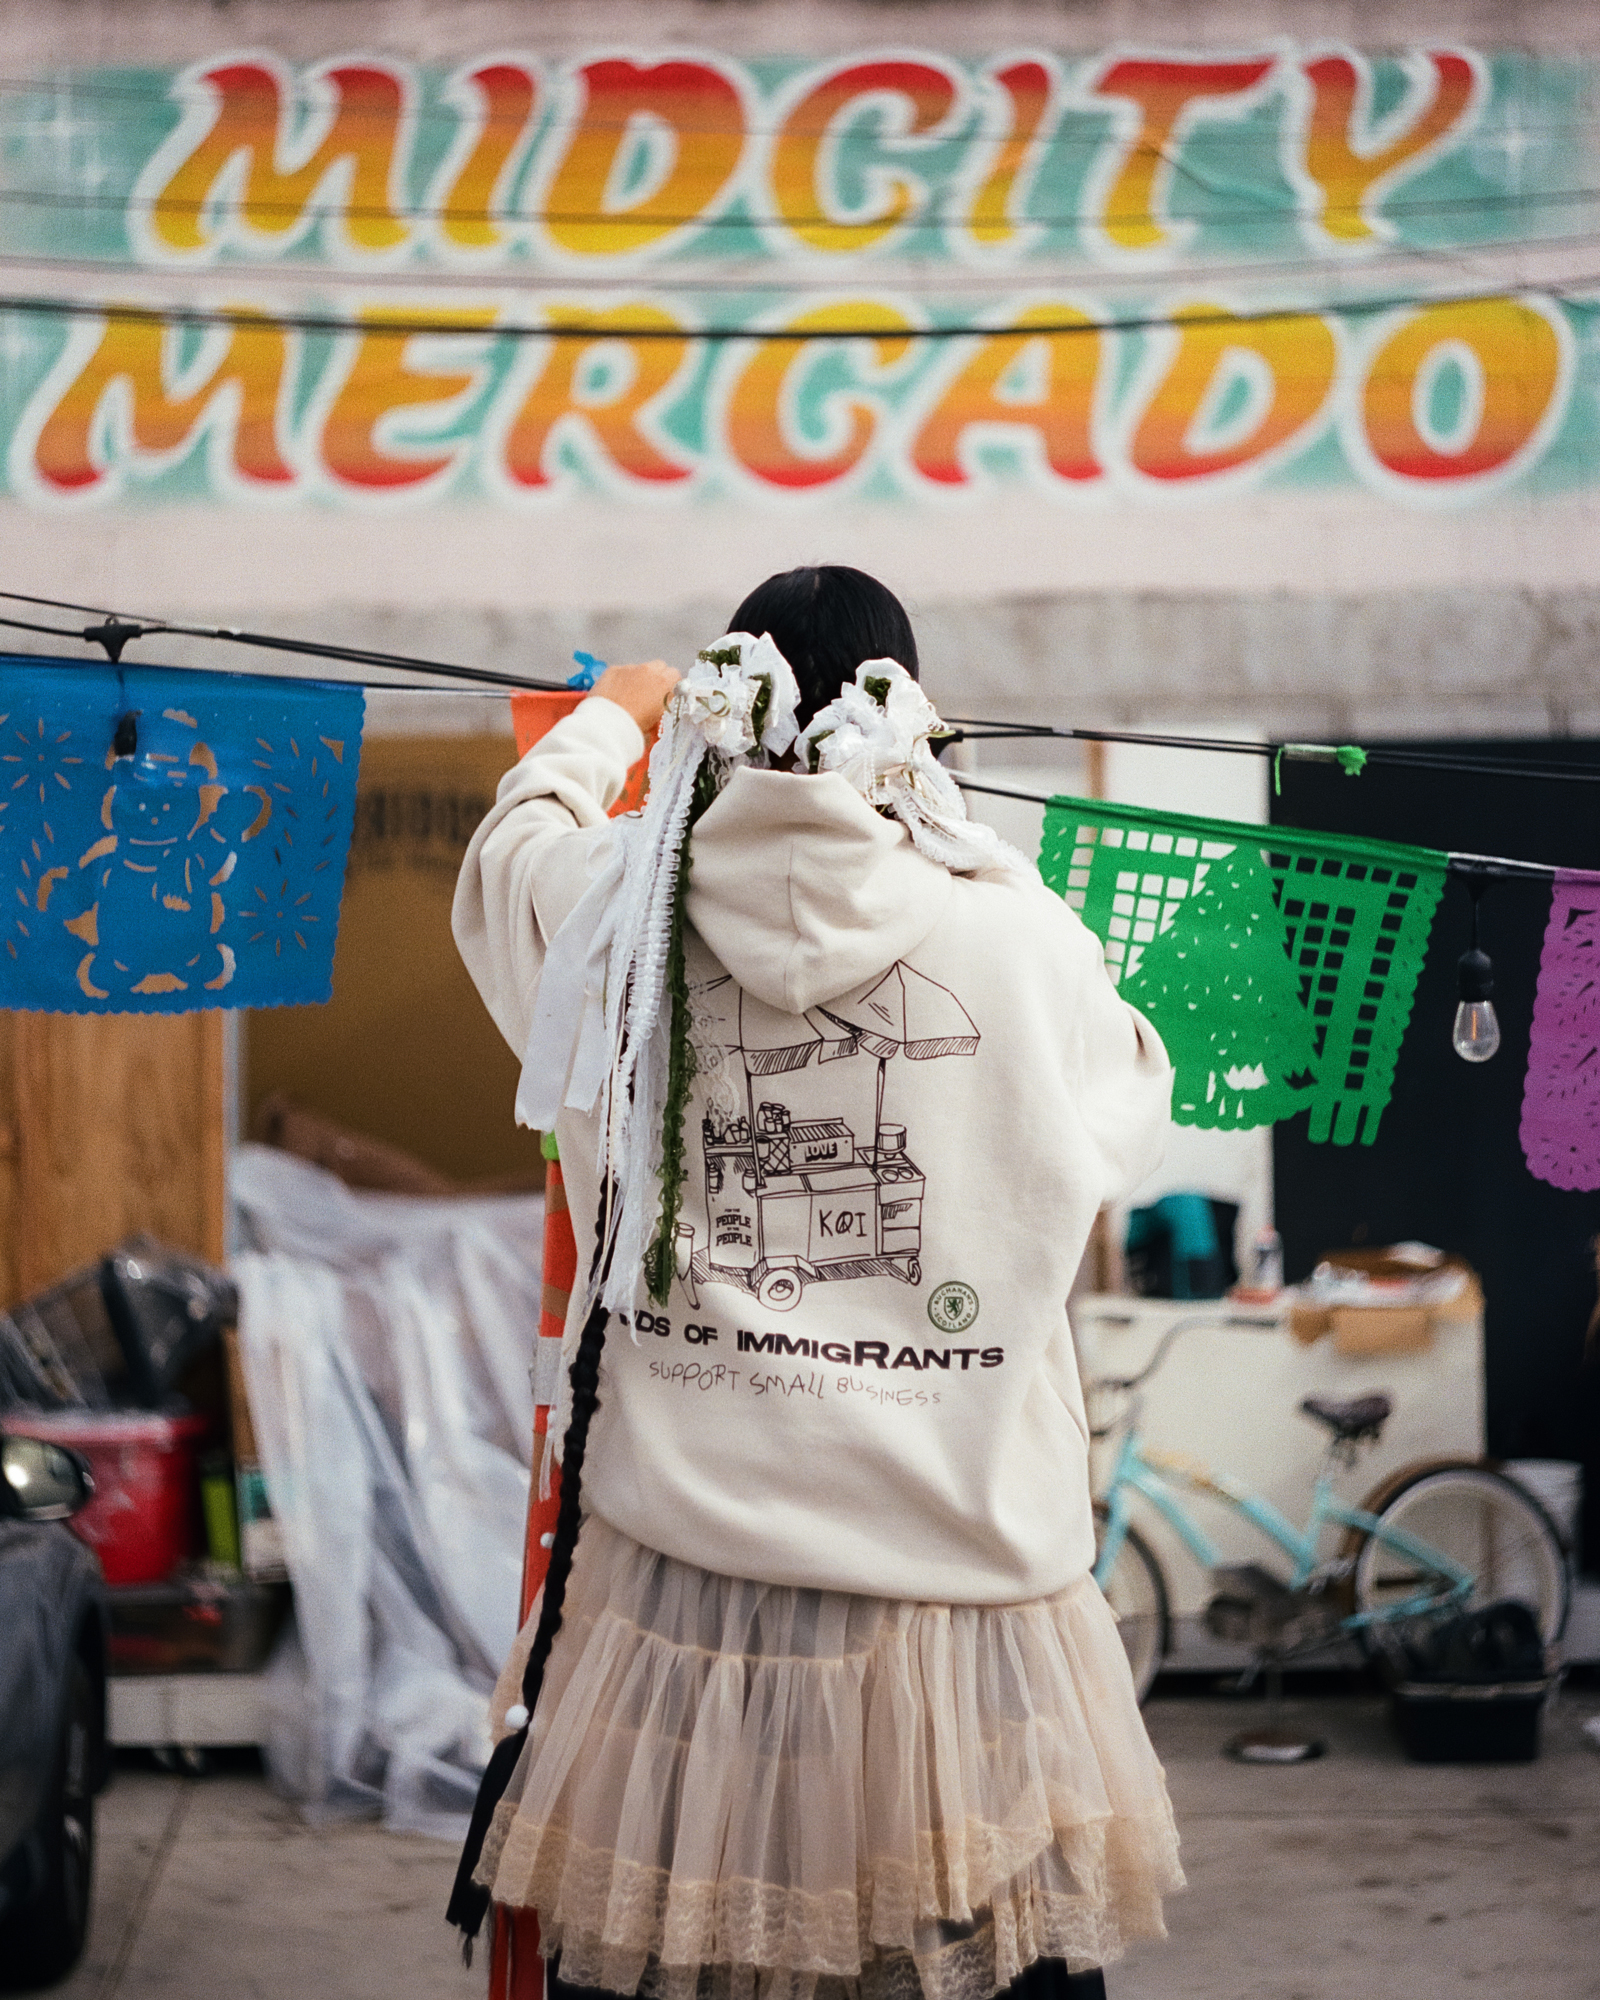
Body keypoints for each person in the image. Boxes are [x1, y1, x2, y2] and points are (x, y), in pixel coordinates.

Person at [450, 566, 1181, 2000]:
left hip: (682, 1625)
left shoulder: (615, 922)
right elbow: (1123, 1113)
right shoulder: (1022, 943)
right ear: (913, 718)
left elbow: (506, 855)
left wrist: (616, 719)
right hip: (963, 1636)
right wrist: (952, 826)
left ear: (727, 706)